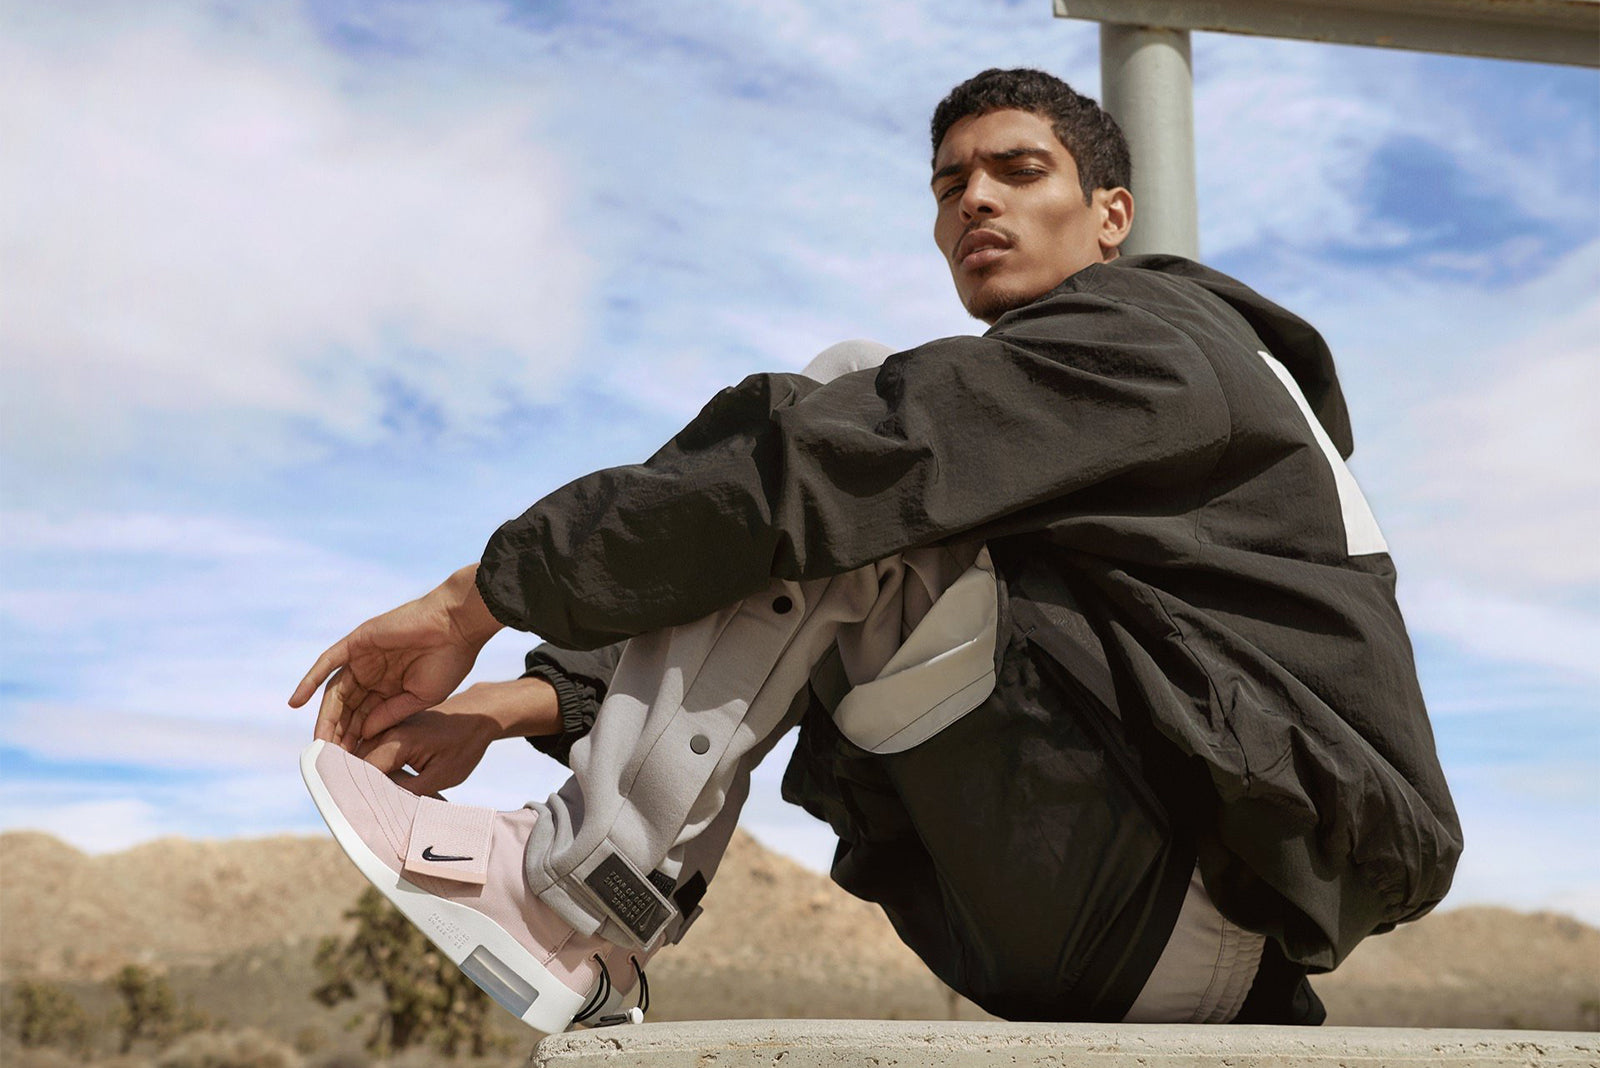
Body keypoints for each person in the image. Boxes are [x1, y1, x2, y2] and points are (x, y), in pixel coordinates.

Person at [289, 68, 1461, 1033]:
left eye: (1019, 170)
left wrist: (474, 598)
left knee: (845, 413)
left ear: (1112, 214)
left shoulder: (1152, 342)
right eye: (949, 185)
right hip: (1160, 902)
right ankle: (591, 927)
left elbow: (824, 477)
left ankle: (573, 905)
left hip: (1178, 891)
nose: (974, 204)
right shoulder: (1110, 398)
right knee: (855, 442)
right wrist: (529, 701)